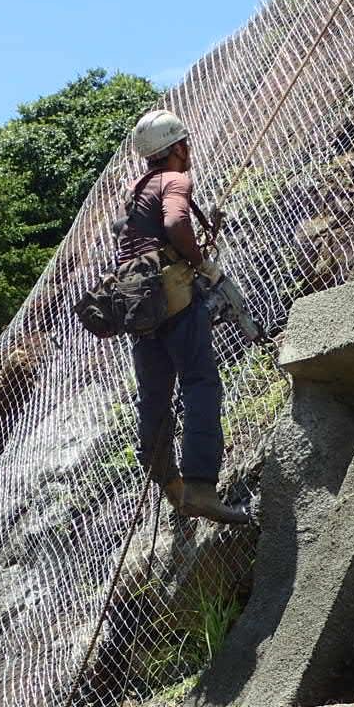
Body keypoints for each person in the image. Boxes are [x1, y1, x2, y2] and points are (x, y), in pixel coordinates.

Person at [118, 109, 248, 524]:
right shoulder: (174, 180)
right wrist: (202, 263)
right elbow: (175, 221)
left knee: (154, 399)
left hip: (139, 308)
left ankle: (172, 487)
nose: (188, 150)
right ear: (173, 148)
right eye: (185, 143)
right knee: (201, 383)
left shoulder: (136, 191)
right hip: (173, 297)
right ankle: (201, 489)